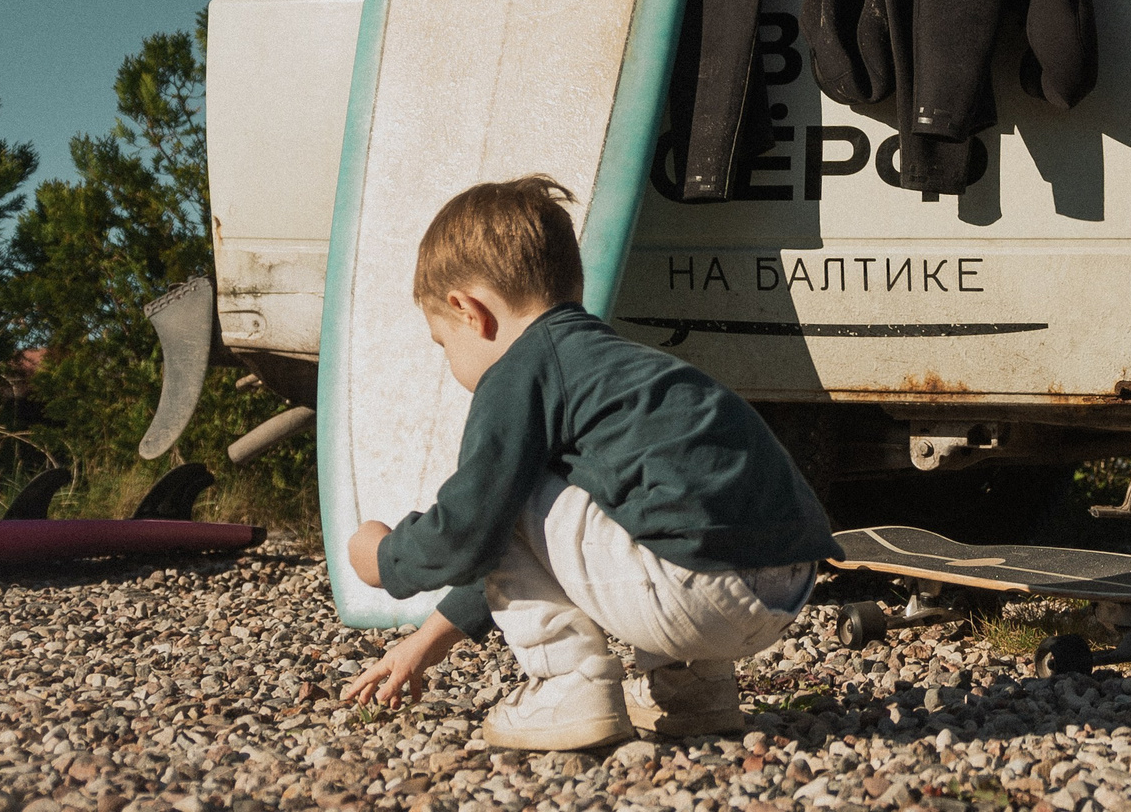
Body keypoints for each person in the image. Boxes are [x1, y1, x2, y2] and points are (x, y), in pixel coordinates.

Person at [338, 176, 838, 749]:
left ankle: (569, 687)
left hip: (691, 595)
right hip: (784, 588)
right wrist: (423, 643)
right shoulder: (621, 366)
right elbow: (530, 545)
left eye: (442, 343)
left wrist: (383, 558)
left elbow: (472, 534)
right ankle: (693, 691)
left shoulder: (520, 371)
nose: (450, 362)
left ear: (469, 311)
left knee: (507, 491)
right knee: (644, 490)